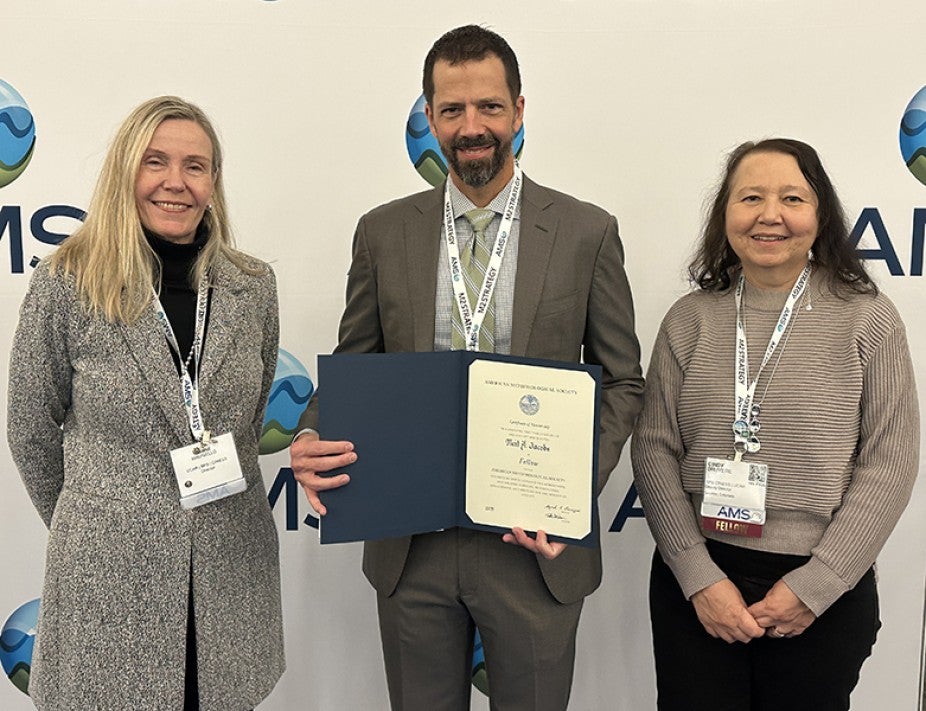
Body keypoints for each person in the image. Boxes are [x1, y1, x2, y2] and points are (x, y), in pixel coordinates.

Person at [290, 24, 643, 711]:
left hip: (532, 549)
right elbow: (358, 362)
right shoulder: (382, 232)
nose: (471, 125)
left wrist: (569, 491)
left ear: (518, 109)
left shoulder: (585, 232)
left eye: (488, 106)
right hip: (412, 544)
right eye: (452, 110)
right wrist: (308, 433)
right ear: (428, 117)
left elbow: (623, 382)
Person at [7, 96, 284, 710]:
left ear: (214, 182)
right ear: (125, 173)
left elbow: (248, 416)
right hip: (109, 580)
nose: (175, 183)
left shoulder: (252, 286)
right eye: (155, 162)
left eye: (196, 166)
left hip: (228, 570)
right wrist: (99, 522)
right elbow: (29, 426)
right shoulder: (67, 283)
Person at [632, 138, 919, 710]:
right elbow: (654, 448)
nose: (770, 215)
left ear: (820, 215)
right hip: (700, 583)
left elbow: (891, 461)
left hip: (821, 592)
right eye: (750, 197)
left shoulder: (868, 318)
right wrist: (697, 576)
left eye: (792, 197)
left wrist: (815, 586)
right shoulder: (690, 319)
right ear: (726, 216)